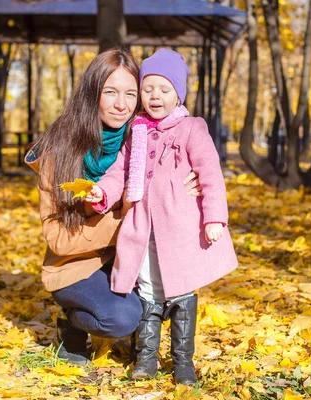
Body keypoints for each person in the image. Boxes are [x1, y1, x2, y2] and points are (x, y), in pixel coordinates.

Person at [24, 48, 202, 367]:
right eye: (111, 92)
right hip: (74, 264)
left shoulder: (143, 142)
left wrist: (191, 188)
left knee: (168, 293)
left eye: (130, 93)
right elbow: (58, 239)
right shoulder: (59, 151)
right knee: (122, 318)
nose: (121, 104)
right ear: (93, 93)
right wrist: (128, 222)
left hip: (128, 258)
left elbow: (180, 181)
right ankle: (72, 325)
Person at [85, 49, 238, 385]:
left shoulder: (191, 128)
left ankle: (183, 362)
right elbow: (120, 171)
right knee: (148, 291)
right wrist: (104, 193)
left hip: (179, 230)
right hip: (143, 228)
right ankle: (146, 358)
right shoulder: (136, 131)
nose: (155, 96)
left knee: (182, 291)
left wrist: (214, 218)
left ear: (178, 94)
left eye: (164, 89)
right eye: (148, 88)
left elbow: (210, 174)